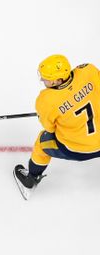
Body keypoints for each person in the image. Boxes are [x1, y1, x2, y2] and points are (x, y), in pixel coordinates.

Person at [14, 55, 100, 200]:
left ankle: (30, 179)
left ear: (58, 80)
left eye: (46, 78)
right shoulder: (88, 71)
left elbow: (50, 128)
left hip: (77, 149)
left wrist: (50, 113)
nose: (42, 80)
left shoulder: (46, 101)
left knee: (42, 143)